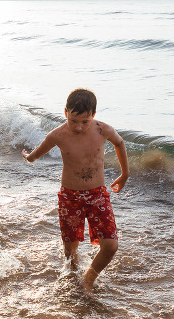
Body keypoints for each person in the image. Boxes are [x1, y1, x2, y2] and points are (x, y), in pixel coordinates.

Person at [22, 88, 129, 292]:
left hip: (97, 195)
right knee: (70, 249)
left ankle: (89, 277)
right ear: (65, 113)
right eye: (73, 120)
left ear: (93, 116)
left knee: (110, 246)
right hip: (70, 197)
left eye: (84, 121)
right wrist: (28, 157)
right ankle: (73, 279)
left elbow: (120, 143)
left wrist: (125, 174)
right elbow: (37, 154)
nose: (79, 127)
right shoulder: (58, 135)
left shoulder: (102, 130)